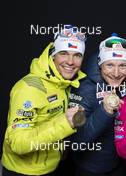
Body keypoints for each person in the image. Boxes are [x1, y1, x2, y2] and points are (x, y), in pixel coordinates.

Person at [1, 25, 87, 175]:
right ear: (53, 55)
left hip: (52, 167)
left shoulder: (65, 82)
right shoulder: (29, 88)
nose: (70, 61)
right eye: (64, 53)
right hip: (23, 171)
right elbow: (18, 143)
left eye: (77, 55)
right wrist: (65, 123)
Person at [69, 34, 126, 176]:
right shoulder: (84, 89)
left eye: (122, 65)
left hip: (117, 165)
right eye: (109, 65)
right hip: (90, 169)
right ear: (100, 65)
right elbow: (76, 142)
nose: (116, 73)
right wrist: (105, 111)